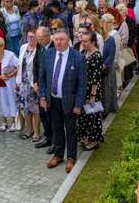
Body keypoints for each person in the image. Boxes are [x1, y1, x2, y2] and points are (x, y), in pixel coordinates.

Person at [39, 28, 86, 174]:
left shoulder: (77, 57)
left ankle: (71, 157)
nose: (58, 42)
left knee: (70, 130)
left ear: (68, 40)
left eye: (62, 39)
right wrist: (42, 96)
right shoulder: (48, 54)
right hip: (52, 100)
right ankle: (58, 155)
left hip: (69, 102)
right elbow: (42, 78)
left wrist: (78, 104)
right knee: (56, 128)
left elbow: (82, 84)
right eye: (56, 39)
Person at [77, 32, 104, 151]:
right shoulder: (83, 52)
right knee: (84, 116)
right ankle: (86, 137)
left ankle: (94, 141)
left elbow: (96, 78)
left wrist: (93, 95)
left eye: (86, 41)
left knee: (92, 116)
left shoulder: (96, 55)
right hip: (83, 90)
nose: (83, 43)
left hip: (92, 91)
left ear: (93, 42)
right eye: (82, 41)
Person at [0, 37, 19, 132]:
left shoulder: (10, 55)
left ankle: (14, 122)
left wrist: (11, 74)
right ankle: (5, 122)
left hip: (10, 83)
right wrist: (0, 77)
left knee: (12, 101)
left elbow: (19, 66)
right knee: (2, 103)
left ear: (3, 46)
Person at [16, 28, 41, 142]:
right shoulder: (23, 47)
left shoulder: (39, 49)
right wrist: (17, 81)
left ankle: (37, 132)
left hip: (33, 84)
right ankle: (28, 130)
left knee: (35, 109)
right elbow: (20, 65)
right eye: (29, 36)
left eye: (33, 36)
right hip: (23, 83)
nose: (31, 39)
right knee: (25, 108)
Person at [33, 26, 55, 152]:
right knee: (43, 113)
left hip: (50, 88)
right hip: (40, 87)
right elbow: (35, 65)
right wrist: (35, 82)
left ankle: (55, 140)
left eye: (40, 39)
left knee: (51, 114)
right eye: (38, 38)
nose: (39, 41)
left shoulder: (54, 48)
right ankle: (48, 136)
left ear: (48, 37)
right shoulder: (39, 47)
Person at [101, 14, 119, 113]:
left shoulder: (113, 36)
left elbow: (112, 54)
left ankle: (107, 109)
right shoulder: (100, 37)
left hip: (108, 68)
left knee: (108, 89)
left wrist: (105, 65)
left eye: (105, 22)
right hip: (101, 67)